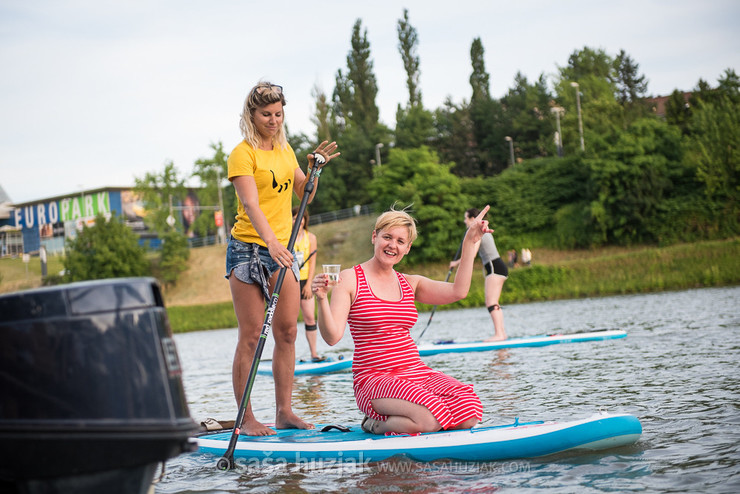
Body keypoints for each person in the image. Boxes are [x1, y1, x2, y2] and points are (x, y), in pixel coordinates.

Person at [311, 206, 492, 435]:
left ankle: (410, 416)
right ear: (374, 237)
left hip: (415, 372)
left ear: (407, 248)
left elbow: (458, 291)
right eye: (387, 237)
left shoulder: (409, 282)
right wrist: (321, 299)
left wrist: (469, 242)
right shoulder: (350, 278)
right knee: (427, 421)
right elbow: (332, 336)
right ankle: (374, 424)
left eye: (400, 241)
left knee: (469, 412)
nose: (392, 245)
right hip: (374, 379)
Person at [225, 81, 339, 436]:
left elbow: (305, 192)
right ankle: (246, 418)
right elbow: (250, 204)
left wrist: (314, 170)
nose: (273, 121)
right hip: (249, 249)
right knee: (251, 334)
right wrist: (272, 242)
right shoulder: (242, 154)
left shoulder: (286, 151)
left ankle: (284, 412)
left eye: (278, 114)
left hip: (281, 250)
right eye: (266, 115)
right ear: (252, 115)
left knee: (287, 332)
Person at [449, 208, 508, 341]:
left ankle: (499, 334)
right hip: (497, 267)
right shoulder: (483, 230)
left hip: (494, 268)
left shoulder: (480, 231)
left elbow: (472, 253)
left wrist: (455, 263)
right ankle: (502, 334)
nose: (464, 221)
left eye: (466, 218)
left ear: (472, 219)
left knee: (491, 302)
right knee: (494, 302)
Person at [292, 206, 322, 362]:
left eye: (301, 218)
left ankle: (314, 353)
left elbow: (312, 263)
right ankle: (291, 356)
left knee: (310, 317)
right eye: (295, 217)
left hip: (305, 281)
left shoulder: (311, 238)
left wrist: (309, 284)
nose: (298, 221)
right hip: (290, 282)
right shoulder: (285, 237)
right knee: (289, 321)